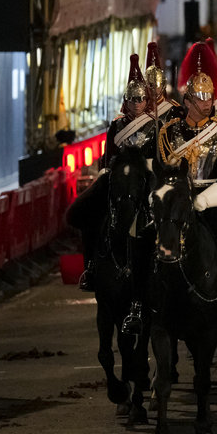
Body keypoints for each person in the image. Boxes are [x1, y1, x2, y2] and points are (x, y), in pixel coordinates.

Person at [156, 39, 217, 342]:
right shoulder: (170, 131)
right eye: (201, 97)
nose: (208, 102)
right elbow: (164, 171)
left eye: (210, 96)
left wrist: (202, 201)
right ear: (187, 100)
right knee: (142, 236)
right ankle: (140, 306)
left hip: (211, 201)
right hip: (177, 201)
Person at [67, 54, 159, 336]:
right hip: (116, 181)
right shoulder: (116, 126)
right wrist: (109, 175)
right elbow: (107, 159)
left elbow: (158, 159)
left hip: (145, 182)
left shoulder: (155, 126)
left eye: (140, 100)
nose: (135, 104)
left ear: (147, 101)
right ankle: (92, 266)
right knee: (84, 212)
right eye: (131, 100)